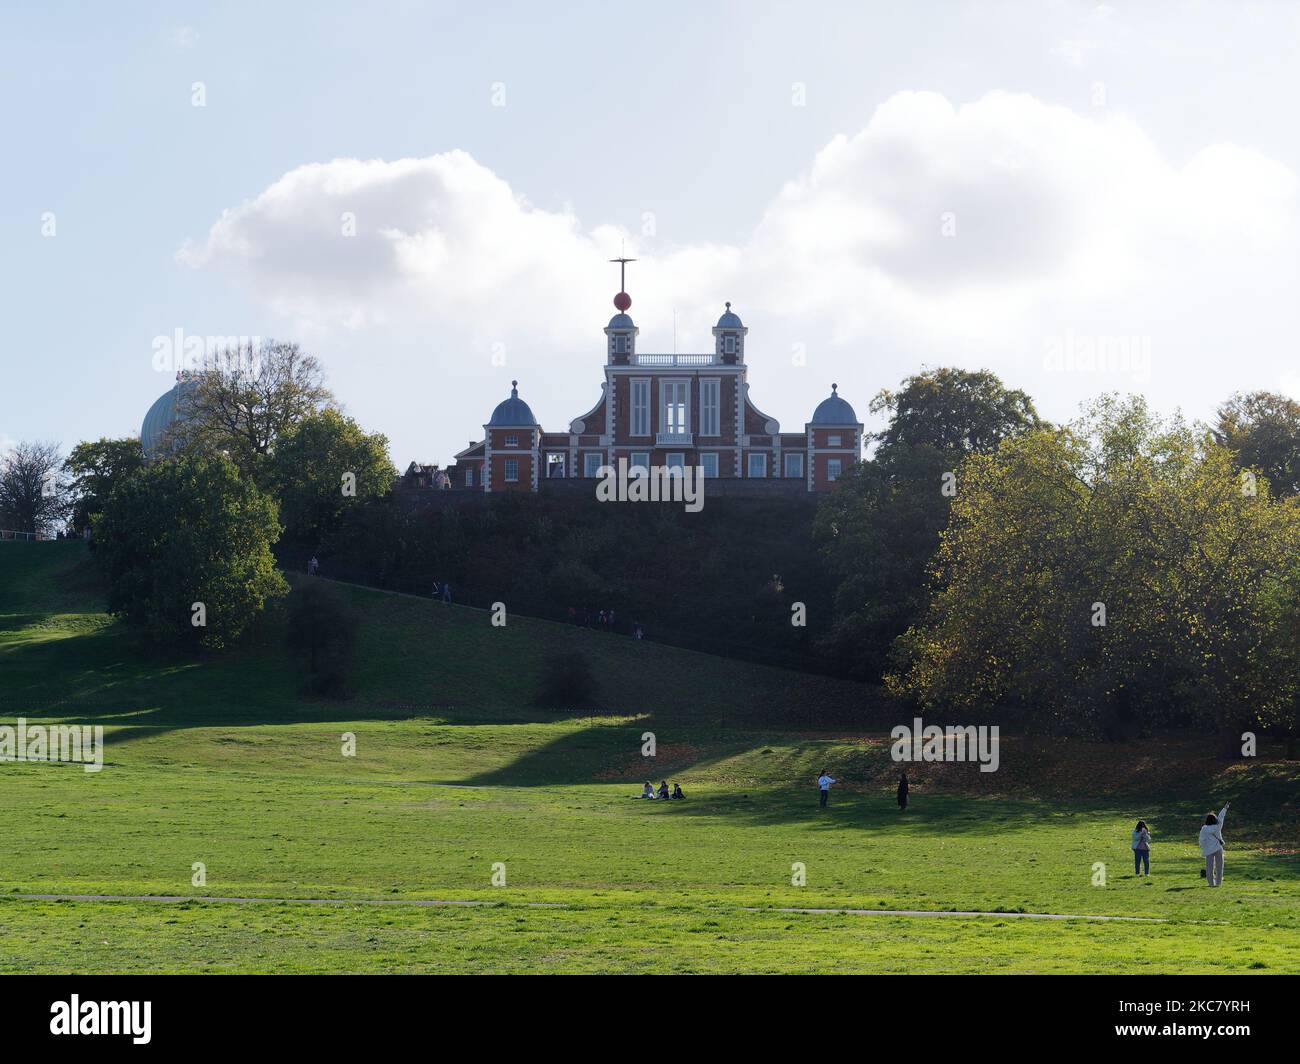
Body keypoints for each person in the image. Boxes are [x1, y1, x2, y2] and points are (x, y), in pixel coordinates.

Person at [1199, 802, 1229, 887]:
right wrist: (1225, 808)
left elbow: (1201, 840)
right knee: (1219, 867)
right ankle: (1218, 883)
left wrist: (1203, 847)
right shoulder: (1217, 827)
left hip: (1209, 850)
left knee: (1209, 868)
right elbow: (1221, 817)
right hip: (1218, 849)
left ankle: (1211, 884)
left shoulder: (1204, 829)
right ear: (1215, 820)